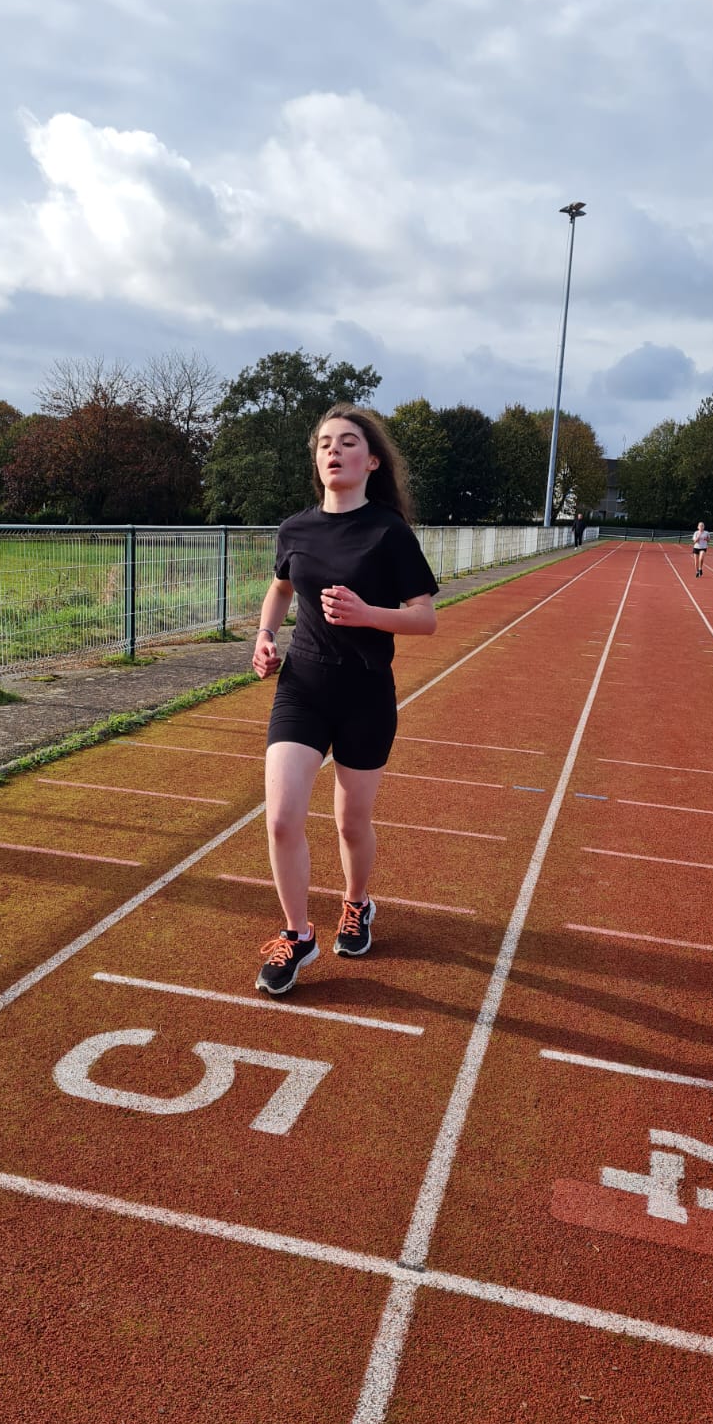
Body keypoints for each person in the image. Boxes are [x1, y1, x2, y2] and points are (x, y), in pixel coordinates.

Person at [251, 404, 439, 996]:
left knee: (350, 821)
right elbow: (280, 587)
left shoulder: (389, 532)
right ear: (316, 460)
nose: (334, 450)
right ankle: (298, 934)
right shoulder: (296, 529)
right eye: (325, 443)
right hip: (302, 688)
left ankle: (356, 904)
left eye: (349, 442)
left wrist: (367, 614)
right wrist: (264, 636)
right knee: (281, 818)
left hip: (365, 692)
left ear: (372, 461)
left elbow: (425, 618)